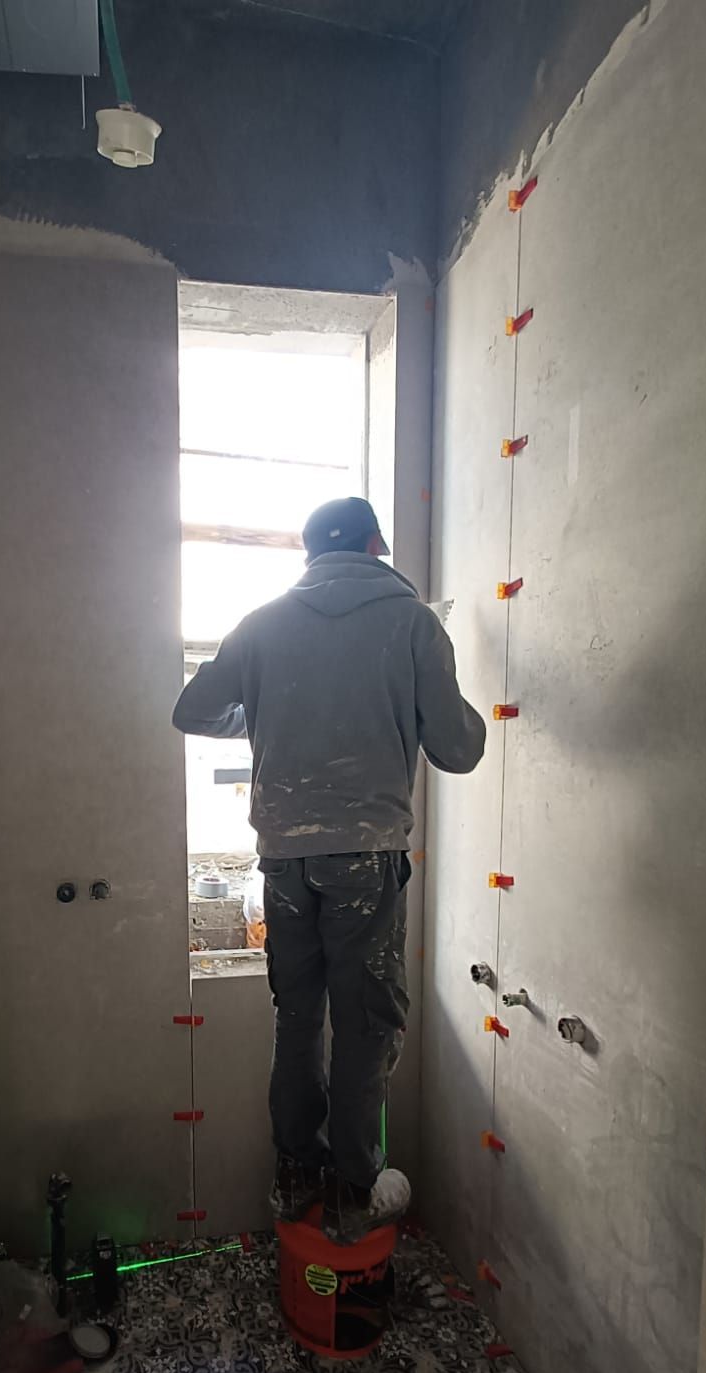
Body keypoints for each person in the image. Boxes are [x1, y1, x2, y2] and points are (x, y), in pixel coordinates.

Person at [173, 497, 486, 1243]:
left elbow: (193, 711)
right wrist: (418, 704)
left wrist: (270, 717)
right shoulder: (412, 623)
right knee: (366, 1023)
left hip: (283, 859)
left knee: (298, 1015)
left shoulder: (262, 622)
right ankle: (353, 1189)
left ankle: (295, 1175)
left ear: (310, 554)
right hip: (364, 858)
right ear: (376, 546)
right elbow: (460, 749)